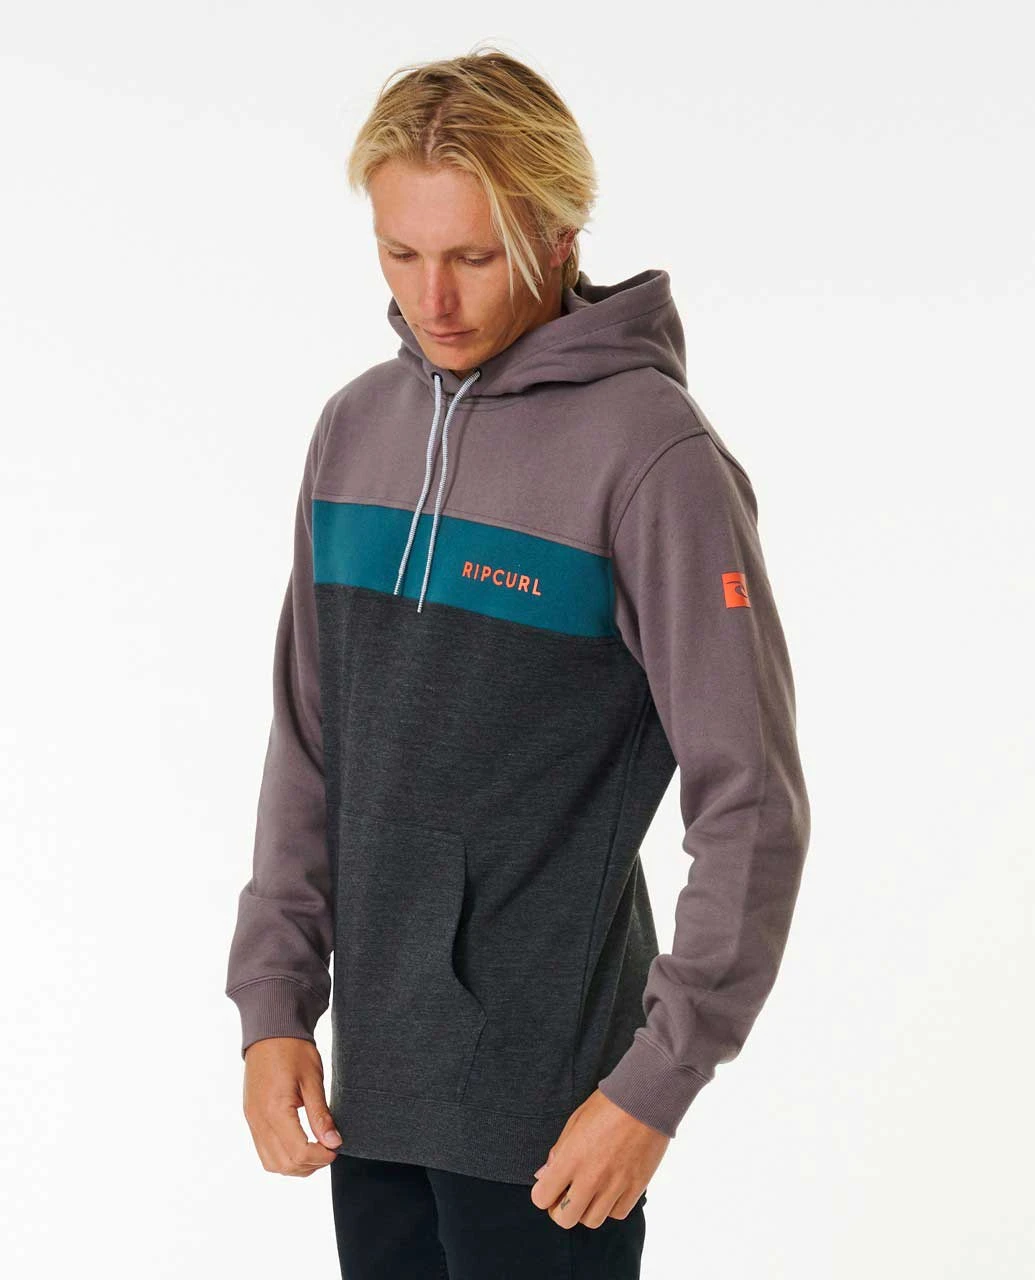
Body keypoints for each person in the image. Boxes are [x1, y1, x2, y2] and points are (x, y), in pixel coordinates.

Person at [224, 45, 811, 1280]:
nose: (432, 299)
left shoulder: (652, 457)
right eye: (400, 252)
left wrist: (657, 1081)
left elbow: (752, 798)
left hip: (552, 1110)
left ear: (556, 234)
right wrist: (274, 999)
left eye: (474, 257)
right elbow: (311, 742)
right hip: (373, 1089)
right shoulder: (356, 429)